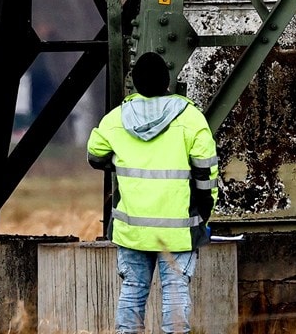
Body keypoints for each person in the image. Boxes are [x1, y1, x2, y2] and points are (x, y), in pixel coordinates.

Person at [86, 52, 220, 334]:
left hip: (132, 228)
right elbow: (206, 174)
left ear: (134, 83)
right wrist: (203, 214)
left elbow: (95, 155)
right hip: (178, 229)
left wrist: (120, 162)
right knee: (175, 292)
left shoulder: (116, 118)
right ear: (167, 80)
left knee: (132, 290)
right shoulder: (191, 118)